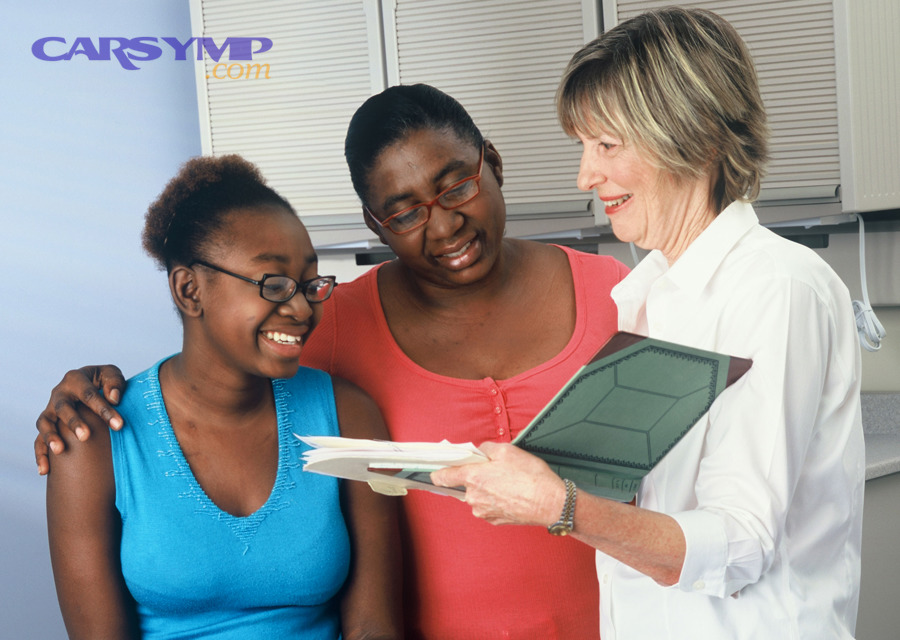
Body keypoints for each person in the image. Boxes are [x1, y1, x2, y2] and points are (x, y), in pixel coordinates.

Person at [34, 84, 629, 638]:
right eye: (404, 212)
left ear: (491, 165)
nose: (444, 223)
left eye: (456, 188)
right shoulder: (330, 331)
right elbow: (226, 364)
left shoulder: (621, 295)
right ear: (377, 224)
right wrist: (85, 387)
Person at [430, 7, 866, 640]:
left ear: (699, 137)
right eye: (584, 146)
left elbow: (740, 544)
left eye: (608, 145)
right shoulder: (651, 293)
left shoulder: (776, 288)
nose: (586, 176)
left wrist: (558, 507)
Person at [44, 154, 402, 639]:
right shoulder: (94, 439)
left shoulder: (350, 417)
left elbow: (374, 625)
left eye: (309, 282)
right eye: (273, 283)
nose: (300, 307)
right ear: (189, 289)